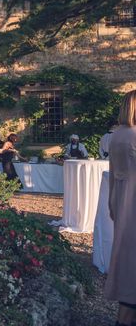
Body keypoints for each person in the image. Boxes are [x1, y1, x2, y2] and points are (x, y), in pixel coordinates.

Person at [104, 90, 136, 326]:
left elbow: (113, 174)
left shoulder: (116, 136)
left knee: (127, 257)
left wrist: (112, 202)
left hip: (122, 200)